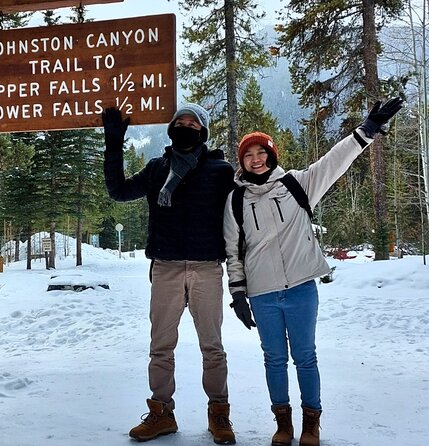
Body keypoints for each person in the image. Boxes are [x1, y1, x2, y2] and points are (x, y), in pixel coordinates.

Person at [223, 98, 403, 446]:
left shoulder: (297, 185)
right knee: (274, 359)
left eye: (261, 153)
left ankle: (311, 424)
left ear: (271, 156)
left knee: (305, 357)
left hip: (301, 289)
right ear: (242, 161)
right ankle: (283, 424)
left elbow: (333, 162)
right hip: (262, 293)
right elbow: (233, 251)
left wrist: (364, 132)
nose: (256, 159)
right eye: (249, 154)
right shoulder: (236, 201)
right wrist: (238, 292)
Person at [102, 104, 236, 444]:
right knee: (161, 346)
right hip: (166, 267)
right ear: (171, 129)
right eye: (180, 122)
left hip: (207, 268)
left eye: (193, 123)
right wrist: (114, 144)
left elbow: (243, 217)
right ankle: (161, 412)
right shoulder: (156, 169)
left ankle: (219, 412)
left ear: (203, 132)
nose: (186, 126)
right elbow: (118, 191)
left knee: (213, 347)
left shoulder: (221, 171)